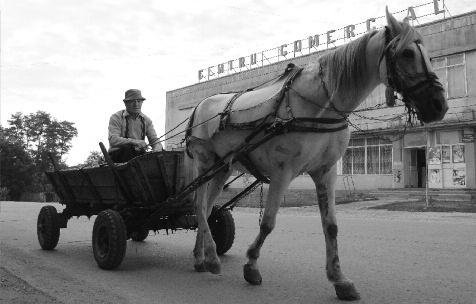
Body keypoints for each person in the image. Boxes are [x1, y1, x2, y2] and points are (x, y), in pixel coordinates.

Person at [108, 89, 163, 163]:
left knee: (160, 153)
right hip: (118, 155)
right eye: (132, 101)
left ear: (142, 102)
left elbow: (154, 139)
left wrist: (157, 148)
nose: (136, 104)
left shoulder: (146, 120)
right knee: (128, 148)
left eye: (139, 101)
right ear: (125, 103)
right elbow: (113, 140)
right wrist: (135, 142)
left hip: (137, 155)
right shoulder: (116, 117)